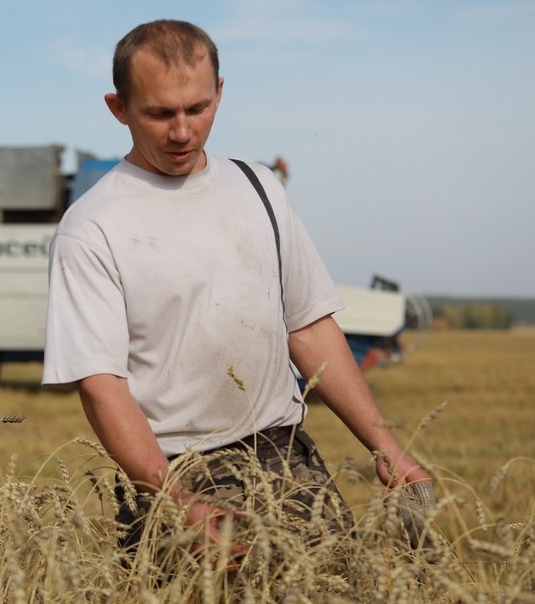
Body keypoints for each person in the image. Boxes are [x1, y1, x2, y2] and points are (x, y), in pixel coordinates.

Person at [41, 19, 432, 561]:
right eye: (160, 113)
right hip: (175, 472)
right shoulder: (92, 227)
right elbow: (101, 386)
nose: (182, 132)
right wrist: (175, 502)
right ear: (119, 107)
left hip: (288, 458)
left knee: (342, 599)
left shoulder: (259, 186)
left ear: (220, 93)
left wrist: (387, 447)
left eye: (197, 108)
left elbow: (310, 327)